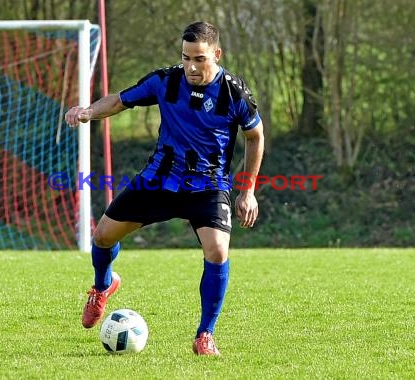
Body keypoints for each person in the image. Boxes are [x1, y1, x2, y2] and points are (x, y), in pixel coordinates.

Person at [64, 21, 264, 356]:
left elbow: (255, 137)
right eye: (186, 58)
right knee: (102, 236)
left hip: (208, 185)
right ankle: (103, 286)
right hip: (159, 179)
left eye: (199, 59)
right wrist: (88, 112)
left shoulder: (234, 92)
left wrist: (248, 190)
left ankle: (205, 335)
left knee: (217, 250)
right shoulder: (166, 80)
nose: (191, 66)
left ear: (216, 54)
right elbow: (119, 100)